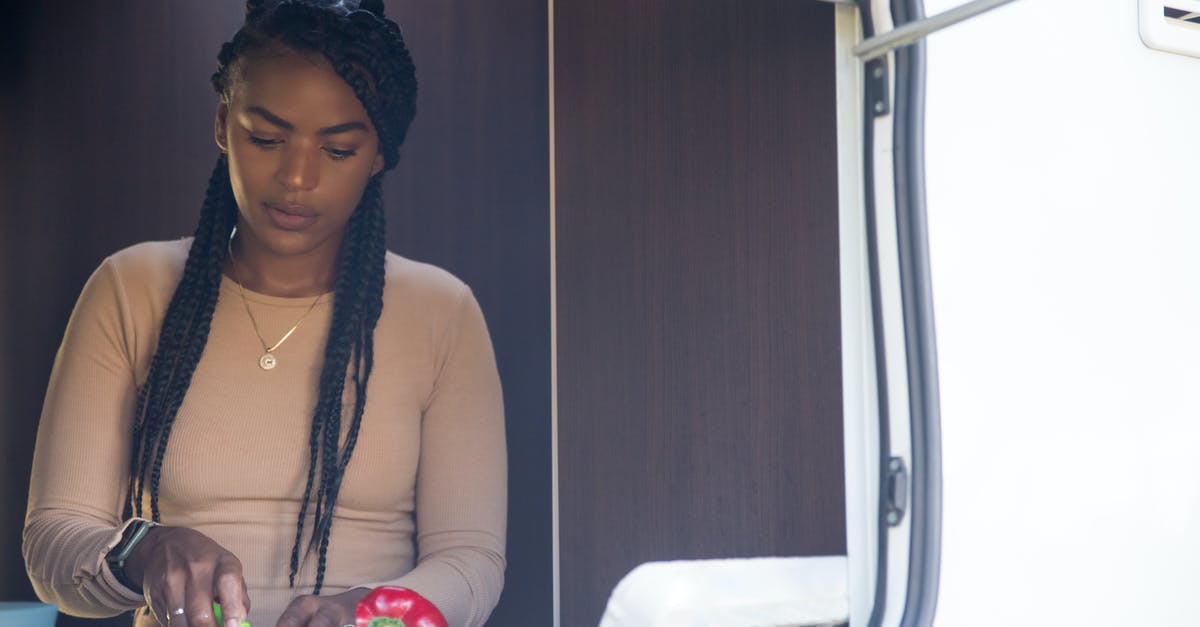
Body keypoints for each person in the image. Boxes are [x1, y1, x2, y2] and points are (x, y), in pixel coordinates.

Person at [22, 1, 507, 626]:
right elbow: (53, 544)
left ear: (378, 155)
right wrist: (144, 548)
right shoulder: (130, 289)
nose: (296, 177)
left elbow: (472, 559)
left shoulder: (443, 313)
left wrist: (372, 611)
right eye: (266, 138)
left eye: (336, 151)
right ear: (224, 123)